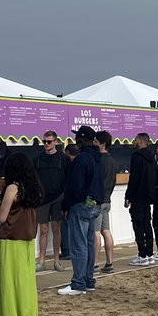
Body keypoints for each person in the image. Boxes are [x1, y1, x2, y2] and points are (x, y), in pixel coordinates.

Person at [0, 152, 43, 316]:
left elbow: (2, 217)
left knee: (8, 283)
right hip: (27, 241)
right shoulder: (33, 188)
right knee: (25, 282)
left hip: (9, 240)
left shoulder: (12, 188)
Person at [57, 126, 104, 297]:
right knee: (90, 244)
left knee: (79, 245)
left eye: (78, 138)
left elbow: (74, 186)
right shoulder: (99, 158)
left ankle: (78, 283)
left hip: (80, 205)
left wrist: (65, 205)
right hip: (95, 204)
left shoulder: (81, 159)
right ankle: (88, 280)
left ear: (83, 140)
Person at [34, 131, 67, 272]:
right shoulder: (37, 159)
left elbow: (67, 178)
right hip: (42, 199)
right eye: (44, 141)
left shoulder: (63, 158)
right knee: (43, 229)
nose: (46, 144)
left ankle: (56, 260)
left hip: (58, 197)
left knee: (56, 228)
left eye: (49, 141)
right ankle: (41, 260)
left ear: (56, 142)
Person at [124, 133, 157, 266]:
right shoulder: (152, 158)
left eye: (135, 140)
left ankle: (142, 255)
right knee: (147, 225)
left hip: (138, 195)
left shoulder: (136, 156)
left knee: (138, 225)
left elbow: (134, 178)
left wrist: (128, 196)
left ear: (141, 141)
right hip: (148, 195)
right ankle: (149, 254)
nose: (133, 142)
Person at [94, 131, 117, 273]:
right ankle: (109, 262)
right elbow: (113, 181)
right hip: (107, 199)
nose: (94, 143)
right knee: (106, 231)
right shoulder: (112, 161)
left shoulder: (98, 160)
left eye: (96, 141)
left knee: (96, 232)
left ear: (102, 144)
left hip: (98, 200)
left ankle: (95, 263)